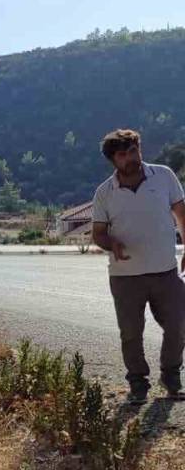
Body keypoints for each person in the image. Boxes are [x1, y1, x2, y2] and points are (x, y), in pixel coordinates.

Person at [90, 128, 185, 403]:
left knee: (179, 326)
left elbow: (181, 214)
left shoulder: (163, 176)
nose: (131, 158)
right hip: (125, 277)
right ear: (113, 160)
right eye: (123, 154)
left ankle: (171, 377)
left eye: (134, 151)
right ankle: (138, 384)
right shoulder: (104, 193)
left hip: (166, 271)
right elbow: (98, 233)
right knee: (131, 334)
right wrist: (112, 244)